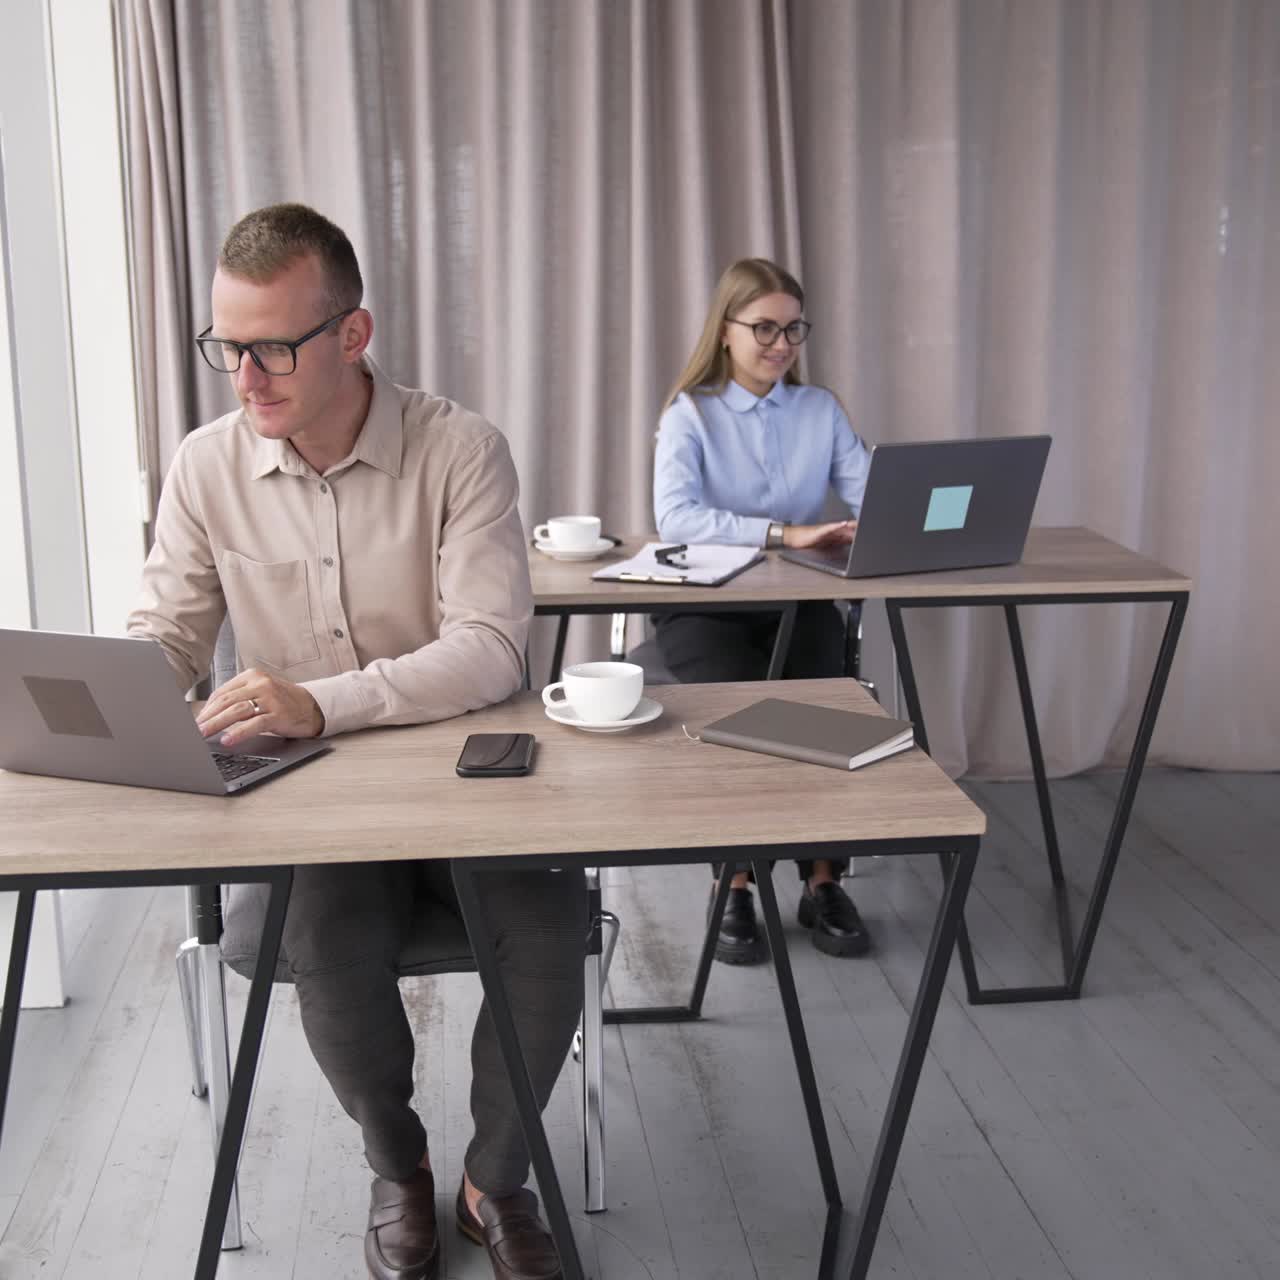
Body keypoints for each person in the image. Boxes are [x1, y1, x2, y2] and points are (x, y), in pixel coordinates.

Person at [128, 203, 579, 1280]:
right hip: (317, 803)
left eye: (272, 346)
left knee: (551, 932)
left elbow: (487, 652)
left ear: (352, 333)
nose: (245, 377)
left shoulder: (460, 448)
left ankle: (494, 1179)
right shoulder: (205, 467)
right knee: (318, 935)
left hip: (473, 782)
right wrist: (120, 689)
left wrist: (320, 701)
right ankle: (398, 1162)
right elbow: (167, 632)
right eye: (226, 347)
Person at [652, 256, 873, 965]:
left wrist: (880, 521)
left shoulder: (819, 410)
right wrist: (784, 533)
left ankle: (821, 880)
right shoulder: (691, 414)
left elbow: (869, 491)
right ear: (726, 331)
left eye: (793, 329)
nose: (782, 344)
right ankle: (739, 882)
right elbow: (675, 517)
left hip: (797, 599)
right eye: (765, 328)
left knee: (825, 710)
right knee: (738, 718)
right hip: (705, 604)